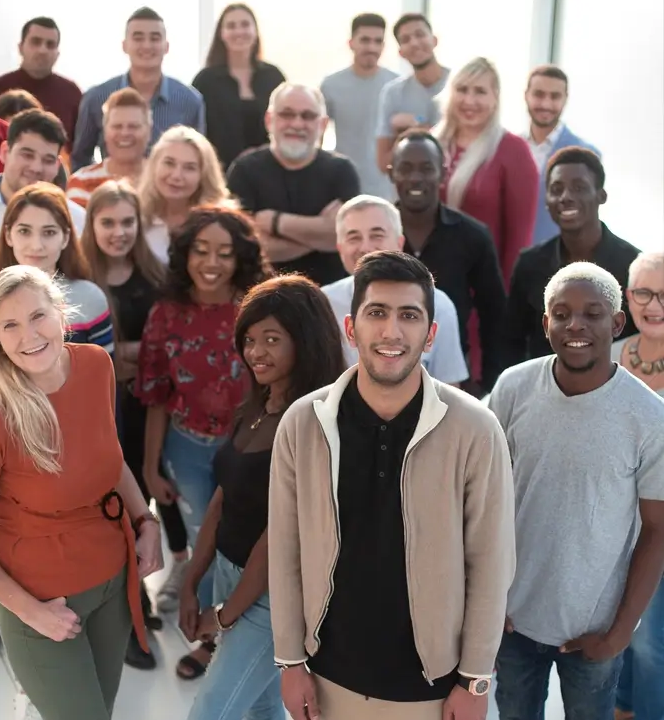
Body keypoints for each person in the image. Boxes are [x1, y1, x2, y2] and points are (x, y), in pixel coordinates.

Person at [269, 250, 516, 720]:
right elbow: (286, 551)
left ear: (430, 335)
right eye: (376, 313)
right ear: (350, 327)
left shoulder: (475, 429)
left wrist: (476, 679)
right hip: (328, 678)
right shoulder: (303, 423)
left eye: (409, 315)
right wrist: (290, 661)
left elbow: (491, 563)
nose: (391, 332)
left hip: (431, 688)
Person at [489, 262, 664, 720]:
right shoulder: (513, 387)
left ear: (618, 323)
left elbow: (657, 531)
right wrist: (483, 598)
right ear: (546, 323)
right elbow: (481, 498)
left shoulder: (648, 417)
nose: (576, 325)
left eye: (593, 313)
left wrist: (619, 633)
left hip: (595, 631)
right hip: (510, 623)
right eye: (562, 314)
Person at [0, 264, 163, 720]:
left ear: (61, 313)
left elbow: (110, 460)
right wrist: (32, 614)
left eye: (37, 316)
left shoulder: (95, 363)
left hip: (113, 580)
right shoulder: (0, 405)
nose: (28, 335)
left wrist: (146, 521)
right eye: (9, 325)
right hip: (41, 602)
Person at [180, 274, 346, 720]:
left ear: (306, 340)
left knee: (210, 714)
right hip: (231, 574)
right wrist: (191, 581)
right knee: (261, 707)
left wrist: (225, 616)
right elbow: (223, 497)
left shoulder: (316, 422)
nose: (255, 352)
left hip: (276, 595)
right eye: (249, 339)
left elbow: (279, 538)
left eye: (271, 339)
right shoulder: (257, 405)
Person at [136, 206, 271, 679]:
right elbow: (155, 394)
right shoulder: (165, 313)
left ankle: (231, 631)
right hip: (186, 449)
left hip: (248, 451)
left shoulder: (257, 307)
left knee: (242, 543)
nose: (211, 262)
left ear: (241, 259)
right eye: (201, 250)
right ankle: (210, 638)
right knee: (203, 544)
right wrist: (152, 468)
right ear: (185, 254)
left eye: (225, 253)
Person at [81, 180, 189, 670]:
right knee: (115, 509)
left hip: (148, 408)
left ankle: (137, 602)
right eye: (108, 222)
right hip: (100, 408)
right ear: (92, 226)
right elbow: (86, 356)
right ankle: (131, 614)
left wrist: (128, 356)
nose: (119, 232)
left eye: (128, 222)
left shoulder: (155, 275)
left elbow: (166, 347)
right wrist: (124, 357)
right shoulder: (81, 280)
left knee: (140, 503)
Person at [389, 130, 506, 394]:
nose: (416, 178)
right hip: (384, 374)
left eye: (426, 168)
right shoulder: (376, 234)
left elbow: (495, 316)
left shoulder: (472, 236)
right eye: (405, 168)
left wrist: (488, 385)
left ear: (442, 173)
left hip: (452, 380)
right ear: (391, 173)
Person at [504, 146, 639, 367]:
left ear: (601, 196)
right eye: (556, 189)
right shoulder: (530, 264)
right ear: (546, 201)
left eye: (579, 188)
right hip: (542, 392)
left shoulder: (632, 266)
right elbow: (511, 342)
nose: (566, 197)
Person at [323, 194, 468, 385]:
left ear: (399, 244)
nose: (365, 247)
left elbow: (449, 391)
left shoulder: (438, 305)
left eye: (377, 235)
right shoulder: (321, 303)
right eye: (354, 238)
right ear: (340, 248)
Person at [227, 83, 360, 286]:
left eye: (307, 116)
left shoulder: (342, 171)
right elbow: (247, 246)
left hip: (328, 298)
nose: (297, 124)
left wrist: (276, 223)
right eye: (287, 114)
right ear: (269, 120)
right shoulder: (245, 170)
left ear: (323, 124)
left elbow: (346, 237)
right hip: (260, 297)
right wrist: (320, 235)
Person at [613, 252, 664, 720]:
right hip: (610, 522)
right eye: (644, 292)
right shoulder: (608, 354)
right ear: (628, 297)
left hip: (660, 523)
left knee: (651, 640)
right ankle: (621, 708)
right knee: (617, 628)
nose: (655, 305)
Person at [435, 57, 538, 285]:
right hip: (428, 281)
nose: (469, 100)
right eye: (462, 89)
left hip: (480, 287)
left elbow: (519, 239)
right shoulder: (432, 144)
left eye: (480, 91)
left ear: (495, 98)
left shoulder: (513, 151)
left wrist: (505, 301)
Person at [72, 7, 205, 170]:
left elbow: (198, 159)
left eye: (155, 38)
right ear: (125, 45)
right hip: (112, 191)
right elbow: (80, 157)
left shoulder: (190, 101)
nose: (147, 45)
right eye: (138, 38)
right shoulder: (96, 98)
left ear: (166, 46)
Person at [0, 182, 113, 354]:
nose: (36, 245)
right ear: (8, 235)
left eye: (49, 232)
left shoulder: (89, 298)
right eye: (24, 231)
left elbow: (104, 374)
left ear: (65, 237)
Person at [192, 3, 286, 170]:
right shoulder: (205, 80)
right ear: (221, 34)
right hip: (218, 173)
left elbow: (286, 122)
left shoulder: (274, 77)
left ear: (255, 31)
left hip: (270, 171)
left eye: (245, 24)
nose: (239, 31)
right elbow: (196, 132)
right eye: (231, 26)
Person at [321, 13, 398, 199]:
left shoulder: (398, 86)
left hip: (388, 190)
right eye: (364, 40)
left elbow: (422, 123)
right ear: (351, 43)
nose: (371, 47)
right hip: (343, 186)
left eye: (377, 41)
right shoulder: (331, 85)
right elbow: (316, 135)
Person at [523, 65, 601, 243]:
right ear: (526, 95)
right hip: (510, 261)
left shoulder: (586, 156)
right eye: (539, 94)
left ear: (565, 99)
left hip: (559, 260)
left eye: (555, 96)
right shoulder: (510, 148)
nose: (546, 104)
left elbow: (587, 222)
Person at [139, 125, 233, 263]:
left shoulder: (224, 224)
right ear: (154, 165)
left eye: (190, 168)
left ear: (203, 175)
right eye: (169, 163)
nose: (177, 175)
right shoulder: (136, 216)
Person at [375, 13, 450, 173]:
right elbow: (383, 163)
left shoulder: (459, 85)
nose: (414, 43)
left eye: (420, 35)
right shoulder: (392, 93)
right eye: (406, 39)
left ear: (434, 40)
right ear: (401, 52)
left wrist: (416, 128)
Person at [0, 17, 82, 154]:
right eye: (35, 42)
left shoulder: (72, 93)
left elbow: (80, 148)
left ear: (57, 53)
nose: (43, 50)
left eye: (50, 44)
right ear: (20, 47)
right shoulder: (0, 87)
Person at [0, 108, 85, 233]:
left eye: (48, 160)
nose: (36, 168)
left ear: (57, 165)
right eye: (27, 155)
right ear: (4, 152)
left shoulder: (76, 221)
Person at [67, 88, 152, 207]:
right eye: (117, 126)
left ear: (148, 132)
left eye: (133, 126)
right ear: (105, 132)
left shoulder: (163, 180)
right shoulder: (81, 182)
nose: (125, 133)